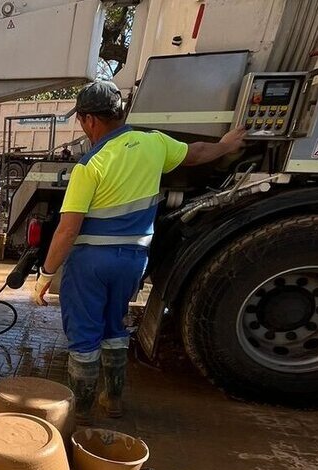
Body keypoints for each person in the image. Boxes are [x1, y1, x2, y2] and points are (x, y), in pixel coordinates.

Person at [32, 80, 245, 420]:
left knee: (85, 333)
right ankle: (112, 400)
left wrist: (44, 275)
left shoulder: (91, 164)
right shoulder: (154, 143)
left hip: (91, 262)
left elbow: (68, 229)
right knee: (115, 326)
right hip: (133, 261)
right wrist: (226, 144)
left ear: (89, 120)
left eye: (80, 120)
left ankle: (81, 414)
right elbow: (198, 154)